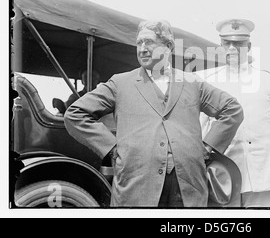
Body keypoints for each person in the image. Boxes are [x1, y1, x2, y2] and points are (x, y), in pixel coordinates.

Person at [64, 19, 244, 207]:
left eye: (148, 42)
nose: (142, 49)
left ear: (168, 47)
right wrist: (111, 147)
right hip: (136, 186)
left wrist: (207, 147)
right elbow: (75, 114)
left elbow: (232, 109)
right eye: (139, 43)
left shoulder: (192, 83)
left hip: (187, 188)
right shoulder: (120, 83)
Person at [199, 19, 270, 207]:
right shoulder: (207, 81)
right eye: (227, 43)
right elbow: (201, 127)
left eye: (239, 43)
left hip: (263, 177)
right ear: (221, 46)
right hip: (222, 176)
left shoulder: (266, 81)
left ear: (249, 46)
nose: (232, 49)